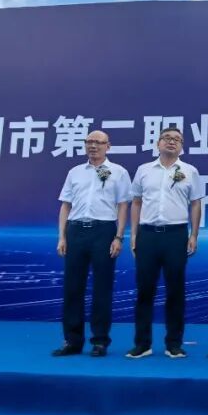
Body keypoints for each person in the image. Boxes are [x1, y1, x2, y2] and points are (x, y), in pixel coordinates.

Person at [126, 127, 203, 359]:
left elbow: (196, 204)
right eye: (167, 138)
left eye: (177, 139)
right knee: (144, 290)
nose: (172, 142)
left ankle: (174, 343)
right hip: (148, 235)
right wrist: (134, 234)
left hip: (176, 235)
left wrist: (193, 235)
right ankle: (142, 344)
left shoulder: (190, 171)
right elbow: (136, 202)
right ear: (158, 143)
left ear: (182, 146)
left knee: (175, 291)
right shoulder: (144, 170)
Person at [52, 131, 131, 357]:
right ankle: (72, 341)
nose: (93, 146)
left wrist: (118, 237)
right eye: (89, 142)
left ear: (108, 146)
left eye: (98, 142)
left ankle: (100, 341)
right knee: (72, 288)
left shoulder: (119, 172)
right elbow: (65, 205)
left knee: (102, 288)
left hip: (103, 231)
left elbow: (123, 206)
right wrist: (62, 236)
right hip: (76, 230)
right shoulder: (75, 172)